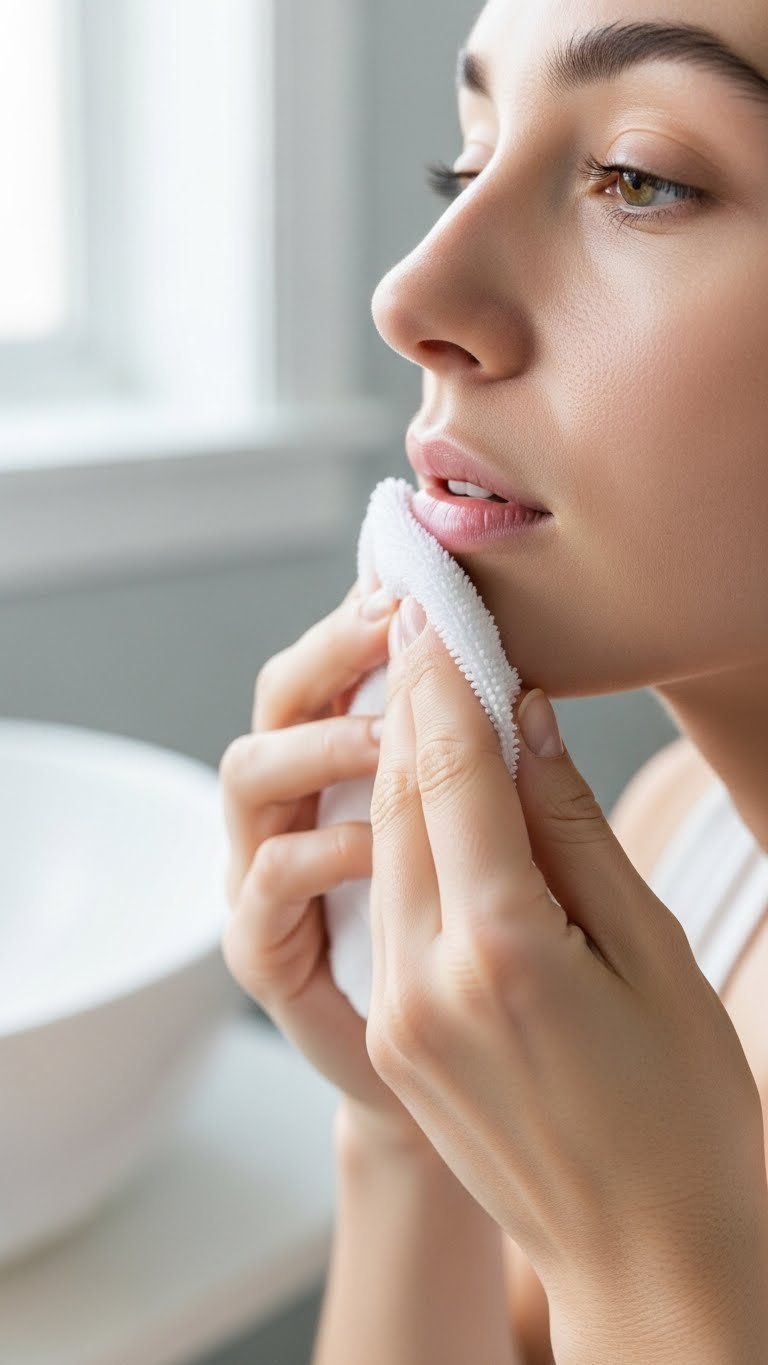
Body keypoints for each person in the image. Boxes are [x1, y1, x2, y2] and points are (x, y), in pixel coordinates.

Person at [218, 1, 768, 1359]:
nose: (409, 299)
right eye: (464, 165)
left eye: (639, 178)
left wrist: (649, 1264)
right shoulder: (675, 852)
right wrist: (409, 1127)